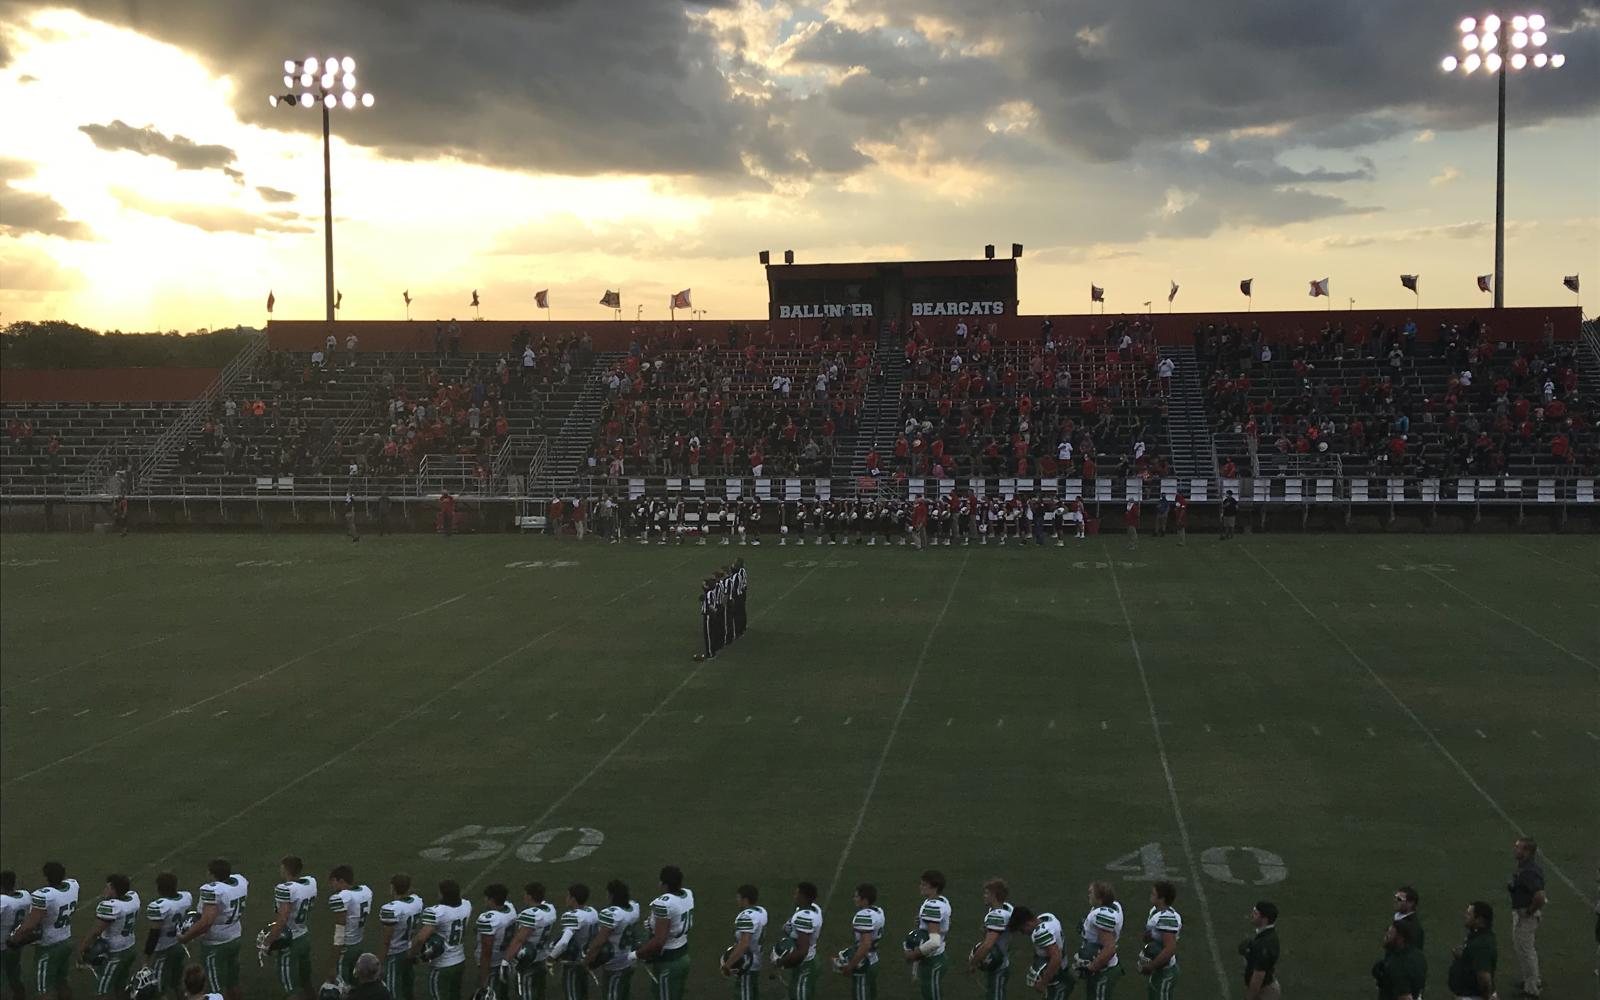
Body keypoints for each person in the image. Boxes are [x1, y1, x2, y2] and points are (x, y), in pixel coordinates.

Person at [176, 859, 249, 1000]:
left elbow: (207, 921)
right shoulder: (239, 882)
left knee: (217, 991)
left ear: (212, 874)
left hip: (216, 944)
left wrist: (186, 937)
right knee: (233, 983)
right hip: (234, 935)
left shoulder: (214, 890)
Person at [6, 861, 78, 1000]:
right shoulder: (73, 886)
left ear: (46, 877)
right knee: (62, 982)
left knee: (44, 990)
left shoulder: (44, 896)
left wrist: (14, 938)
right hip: (66, 940)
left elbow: (31, 924)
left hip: (49, 947)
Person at [632, 867, 694, 1000]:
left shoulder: (664, 903)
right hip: (683, 956)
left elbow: (660, 940)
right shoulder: (688, 894)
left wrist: (636, 954)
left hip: (668, 960)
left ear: (663, 884)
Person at [262, 856, 317, 1000]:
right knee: (306, 982)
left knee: (290, 990)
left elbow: (282, 919)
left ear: (285, 869)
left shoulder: (285, 889)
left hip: (290, 941)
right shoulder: (310, 883)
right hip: (304, 936)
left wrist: (268, 941)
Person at [408, 880, 473, 1000]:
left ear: (443, 894)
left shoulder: (437, 912)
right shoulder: (466, 905)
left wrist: (412, 955)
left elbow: (420, 939)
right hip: (460, 961)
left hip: (443, 965)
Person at [80, 874, 140, 1000]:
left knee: (102, 992)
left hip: (115, 953)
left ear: (114, 889)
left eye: (108, 887)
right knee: (120, 986)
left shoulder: (111, 907)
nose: (104, 890)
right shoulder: (133, 898)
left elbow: (96, 932)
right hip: (130, 948)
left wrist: (82, 948)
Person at [503, 883, 558, 1000]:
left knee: (527, 994)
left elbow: (519, 940)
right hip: (542, 958)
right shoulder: (550, 910)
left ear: (530, 896)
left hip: (528, 960)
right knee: (540, 993)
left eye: (525, 894)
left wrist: (506, 961)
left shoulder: (530, 915)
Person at [586, 881, 640, 1000]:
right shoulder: (634, 908)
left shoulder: (612, 914)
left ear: (611, 896)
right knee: (624, 993)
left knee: (612, 995)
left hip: (615, 963)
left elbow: (599, 942)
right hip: (629, 959)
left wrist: (589, 959)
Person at [902, 871, 950, 1000]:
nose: (920, 887)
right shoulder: (941, 900)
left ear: (934, 887)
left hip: (932, 960)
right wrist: (922, 924)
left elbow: (934, 942)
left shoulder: (932, 906)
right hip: (936, 956)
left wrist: (913, 955)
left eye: (924, 885)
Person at [1507, 838, 1544, 998]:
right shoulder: (1527, 867)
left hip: (1526, 916)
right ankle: (1532, 980)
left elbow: (1540, 896)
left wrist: (1528, 912)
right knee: (1525, 950)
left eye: (1518, 848)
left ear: (1527, 852)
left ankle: (1532, 988)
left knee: (1525, 950)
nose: (1515, 850)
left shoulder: (1529, 872)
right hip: (1523, 913)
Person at [376, 875, 424, 1000]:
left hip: (395, 954)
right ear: (409, 888)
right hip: (408, 950)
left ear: (392, 887)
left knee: (393, 991)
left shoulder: (392, 909)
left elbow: (386, 941)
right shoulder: (417, 901)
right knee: (408, 988)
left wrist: (380, 962)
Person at [771, 883, 821, 1000]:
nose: (794, 896)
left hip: (804, 964)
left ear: (804, 897)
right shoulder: (814, 909)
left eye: (797, 894)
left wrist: (780, 962)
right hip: (811, 959)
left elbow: (802, 951)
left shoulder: (804, 917)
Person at [547, 884, 597, 1000]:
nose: (566, 898)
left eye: (568, 896)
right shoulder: (592, 912)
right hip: (586, 960)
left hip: (573, 962)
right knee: (583, 995)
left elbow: (564, 943)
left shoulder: (573, 916)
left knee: (572, 996)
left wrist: (551, 957)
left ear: (573, 898)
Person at [328, 866, 375, 989]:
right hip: (358, 943)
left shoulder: (342, 897)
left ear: (341, 881)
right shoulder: (365, 891)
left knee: (342, 986)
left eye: (334, 881)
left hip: (346, 946)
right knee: (357, 982)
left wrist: (333, 964)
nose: (332, 885)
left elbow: (340, 931)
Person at [1009, 907, 1070, 1000]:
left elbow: (1056, 957)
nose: (1023, 933)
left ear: (1028, 924)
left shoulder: (1040, 933)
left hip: (1057, 977)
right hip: (1063, 970)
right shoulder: (1048, 917)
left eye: (1022, 930)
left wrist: (1043, 983)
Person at [835, 884, 882, 1000]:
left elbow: (865, 945)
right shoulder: (878, 911)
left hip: (864, 962)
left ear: (865, 900)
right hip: (874, 959)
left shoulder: (863, 916)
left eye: (857, 896)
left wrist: (851, 966)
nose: (854, 899)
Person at [968, 879, 1012, 1000]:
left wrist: (974, 962)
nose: (984, 896)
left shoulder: (996, 916)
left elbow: (987, 945)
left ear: (994, 896)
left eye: (987, 893)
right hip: (1002, 960)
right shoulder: (1006, 909)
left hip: (998, 965)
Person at [1076, 883, 1122, 999]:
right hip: (1105, 966)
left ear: (1100, 900)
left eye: (1091, 893)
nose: (1088, 895)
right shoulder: (1114, 907)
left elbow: (1109, 948)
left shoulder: (1101, 915)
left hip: (1103, 970)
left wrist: (1092, 966)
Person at [720, 885, 766, 1000]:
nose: (737, 900)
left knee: (744, 994)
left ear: (745, 900)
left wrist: (727, 965)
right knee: (753, 992)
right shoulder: (762, 911)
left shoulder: (746, 917)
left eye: (738, 897)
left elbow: (744, 944)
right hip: (757, 959)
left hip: (747, 963)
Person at [1446, 901, 1497, 1000]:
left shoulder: (1482, 945)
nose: (1465, 916)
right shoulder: (1477, 935)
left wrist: (1487, 997)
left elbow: (1484, 977)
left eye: (1469, 914)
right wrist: (1462, 956)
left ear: (1480, 920)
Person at [1138, 881, 1180, 999]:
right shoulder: (1155, 911)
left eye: (1153, 894)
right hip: (1160, 967)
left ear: (1162, 899)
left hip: (1165, 970)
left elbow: (1170, 948)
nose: (1151, 895)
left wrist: (1151, 966)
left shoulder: (1166, 918)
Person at [476, 885, 517, 1000]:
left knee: (490, 995)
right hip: (505, 960)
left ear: (491, 900)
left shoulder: (490, 919)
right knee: (503, 994)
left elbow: (486, 952)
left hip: (493, 964)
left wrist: (483, 979)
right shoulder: (511, 909)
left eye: (486, 898)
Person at [1371, 920, 1426, 1000]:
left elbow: (1405, 997)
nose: (1386, 936)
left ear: (1400, 939)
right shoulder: (1419, 955)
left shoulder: (1397, 964)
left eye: (1390, 934)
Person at [1238, 902, 1279, 1000]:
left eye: (1256, 913)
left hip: (1264, 992)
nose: (1252, 915)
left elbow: (1258, 977)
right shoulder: (1266, 935)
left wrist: (1249, 998)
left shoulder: (1263, 944)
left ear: (1264, 919)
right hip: (1266, 987)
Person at [0, 870, 28, 1000]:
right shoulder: (25, 896)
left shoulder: (3, 901)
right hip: (16, 942)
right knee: (14, 975)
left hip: (2, 945)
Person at [1391, 887, 1423, 954]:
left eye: (1399, 899)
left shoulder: (1413, 928)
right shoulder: (1398, 918)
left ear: (1410, 903)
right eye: (1395, 897)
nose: (1395, 900)